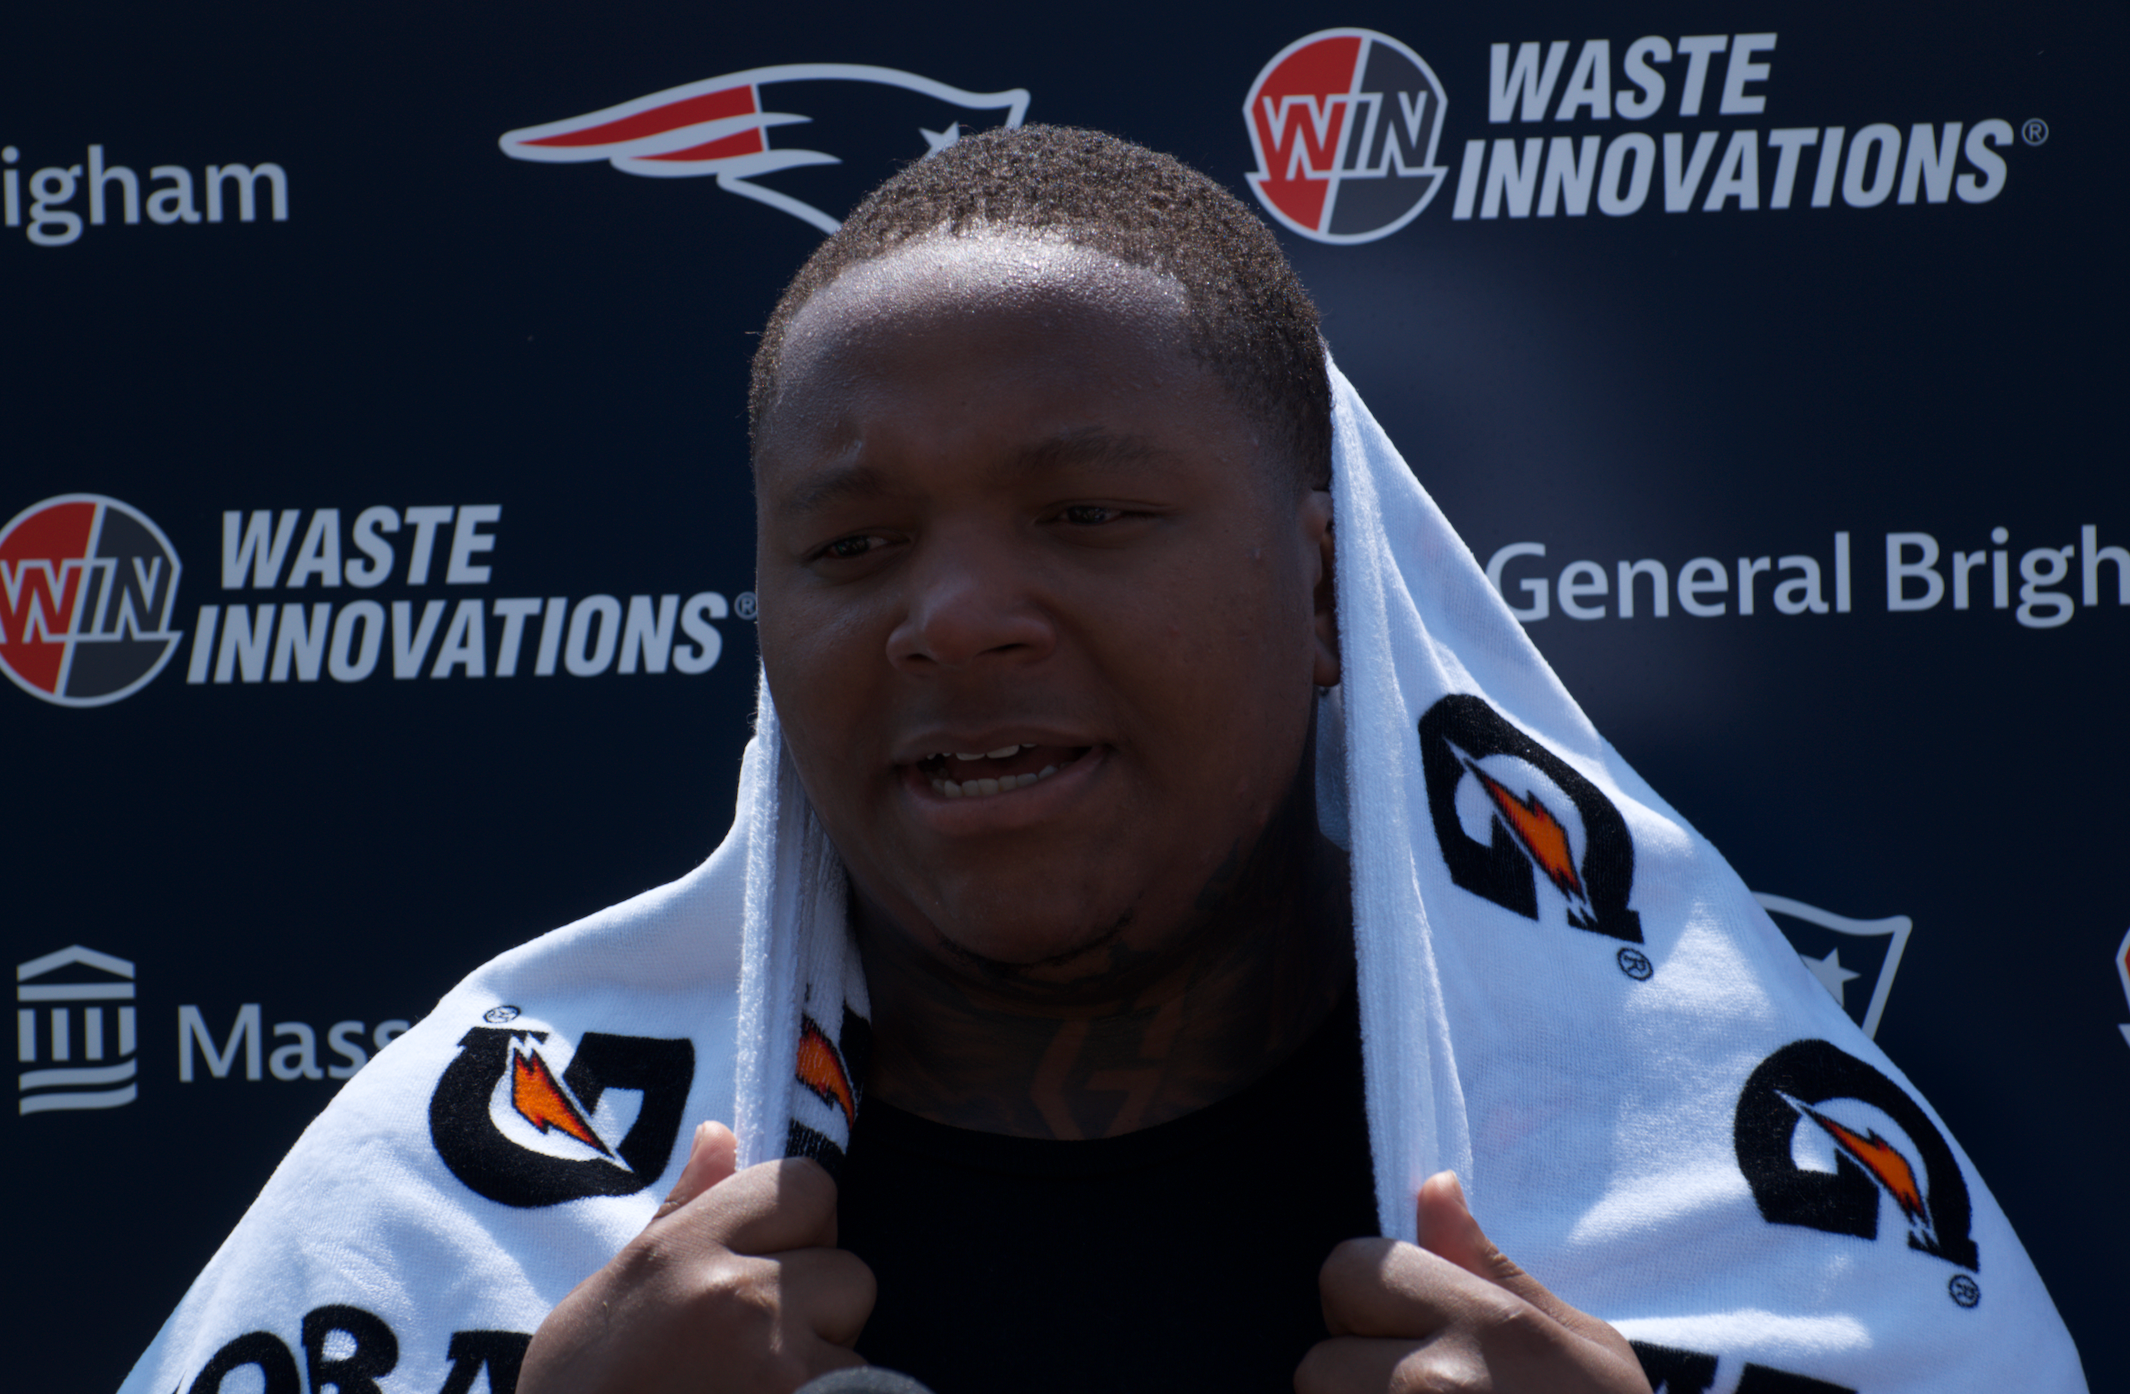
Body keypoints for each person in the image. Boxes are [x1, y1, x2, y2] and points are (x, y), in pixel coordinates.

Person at [119, 127, 2085, 1394]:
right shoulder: (474, 1200)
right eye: (854, 545)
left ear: (1333, 601)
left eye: (1087, 514)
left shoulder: (1756, 1214)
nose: (950, 619)